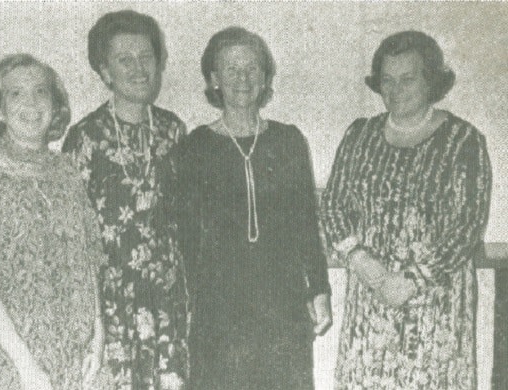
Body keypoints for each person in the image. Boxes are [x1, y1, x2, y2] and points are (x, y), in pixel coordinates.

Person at [321, 30, 492, 389]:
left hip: (434, 309)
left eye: (408, 78)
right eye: (387, 80)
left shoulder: (463, 141)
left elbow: (466, 226)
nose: (395, 89)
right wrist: (362, 262)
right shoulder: (359, 135)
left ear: (432, 80)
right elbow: (334, 207)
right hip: (370, 304)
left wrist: (411, 281)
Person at [176, 26, 332, 390]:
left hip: (283, 308)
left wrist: (320, 289)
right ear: (214, 79)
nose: (242, 78)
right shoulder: (195, 147)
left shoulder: (289, 140)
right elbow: (185, 239)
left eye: (252, 68)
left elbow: (306, 225)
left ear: (264, 77)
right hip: (219, 312)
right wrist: (186, 308)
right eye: (231, 69)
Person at [0, 54, 106, 390]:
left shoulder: (67, 172)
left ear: (54, 104)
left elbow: (89, 257)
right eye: (16, 94)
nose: (31, 103)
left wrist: (98, 335)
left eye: (41, 92)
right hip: (14, 364)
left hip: (75, 358)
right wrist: (27, 368)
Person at [61, 10, 187, 390]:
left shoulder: (173, 130)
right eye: (124, 60)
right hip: (110, 306)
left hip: (168, 303)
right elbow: (71, 235)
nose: (138, 68)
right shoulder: (86, 138)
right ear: (104, 71)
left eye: (146, 57)